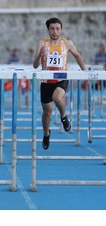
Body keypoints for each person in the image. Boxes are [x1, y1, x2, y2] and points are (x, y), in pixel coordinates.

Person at [33, 17, 85, 150]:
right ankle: (46, 134)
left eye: (57, 29)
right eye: (52, 29)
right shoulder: (42, 43)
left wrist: (85, 73)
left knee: (57, 97)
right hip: (46, 81)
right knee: (47, 112)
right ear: (48, 30)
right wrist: (40, 55)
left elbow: (77, 56)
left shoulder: (67, 43)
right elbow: (34, 65)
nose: (55, 31)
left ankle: (63, 116)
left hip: (62, 78)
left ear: (61, 30)